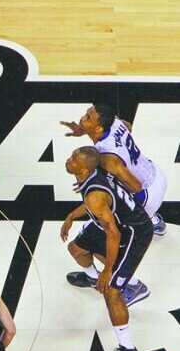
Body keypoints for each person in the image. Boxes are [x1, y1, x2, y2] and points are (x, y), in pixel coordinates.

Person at [61, 146, 153, 351]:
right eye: (72, 155)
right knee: (76, 249)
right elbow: (98, 206)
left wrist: (108, 270)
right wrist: (71, 215)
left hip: (134, 232)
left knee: (111, 291)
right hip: (116, 221)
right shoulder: (92, 177)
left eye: (73, 159)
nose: (68, 160)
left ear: (83, 169)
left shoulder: (94, 196)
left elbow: (114, 234)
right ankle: (94, 278)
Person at [61, 103, 167, 248]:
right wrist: (85, 129)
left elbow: (136, 187)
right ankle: (152, 217)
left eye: (88, 118)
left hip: (148, 193)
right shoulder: (114, 121)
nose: (82, 118)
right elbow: (128, 126)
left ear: (98, 128)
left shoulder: (107, 159)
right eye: (86, 114)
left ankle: (145, 222)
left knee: (109, 213)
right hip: (155, 172)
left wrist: (96, 180)